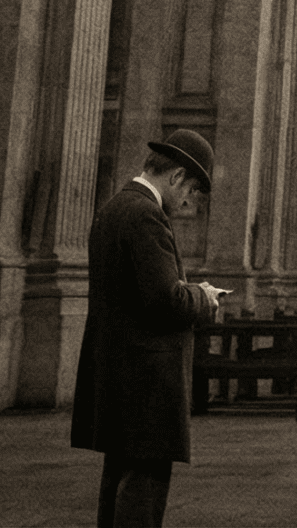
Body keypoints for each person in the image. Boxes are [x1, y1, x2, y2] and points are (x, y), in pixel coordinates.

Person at [70, 129, 229, 528]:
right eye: (191, 190)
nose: (188, 200)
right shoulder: (146, 214)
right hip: (146, 379)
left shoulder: (114, 207)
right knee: (144, 486)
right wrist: (204, 297)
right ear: (176, 177)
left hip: (118, 370)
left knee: (118, 479)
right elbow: (165, 299)